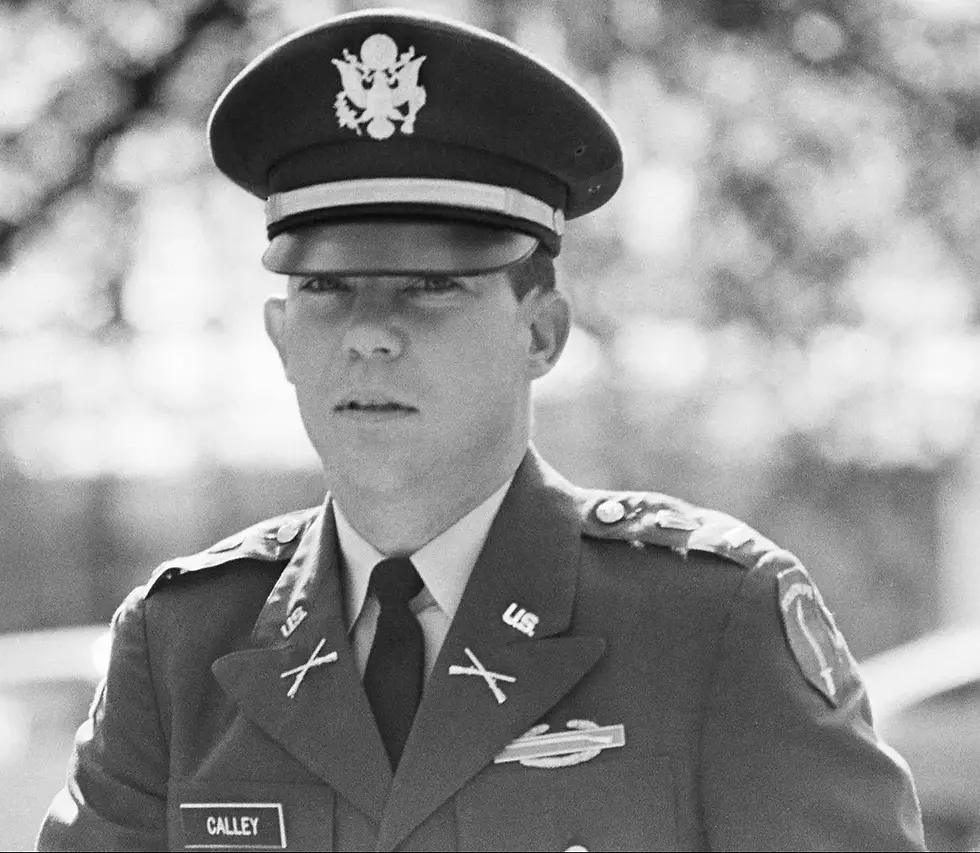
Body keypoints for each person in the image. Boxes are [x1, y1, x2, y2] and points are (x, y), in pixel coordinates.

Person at [38, 9, 926, 852]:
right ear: (279, 337)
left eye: (431, 287)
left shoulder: (709, 625)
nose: (369, 333)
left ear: (540, 334)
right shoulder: (181, 648)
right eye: (327, 288)